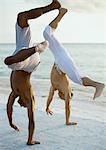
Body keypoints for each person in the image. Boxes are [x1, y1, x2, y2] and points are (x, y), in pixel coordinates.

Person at [4, 0, 61, 145]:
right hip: (30, 63)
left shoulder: (14, 93)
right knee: (10, 62)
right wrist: (30, 140)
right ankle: (38, 48)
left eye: (21, 105)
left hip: (21, 53)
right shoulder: (29, 97)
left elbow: (9, 107)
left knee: (21, 16)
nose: (22, 106)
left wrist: (11, 123)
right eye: (23, 107)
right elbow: (32, 120)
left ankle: (52, 6)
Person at [43, 8, 105, 102]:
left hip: (61, 58)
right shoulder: (62, 86)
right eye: (63, 97)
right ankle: (98, 85)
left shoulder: (57, 87)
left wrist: (47, 106)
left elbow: (51, 96)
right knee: (78, 78)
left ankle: (98, 85)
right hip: (62, 59)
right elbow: (55, 98)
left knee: (47, 33)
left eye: (62, 97)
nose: (61, 97)